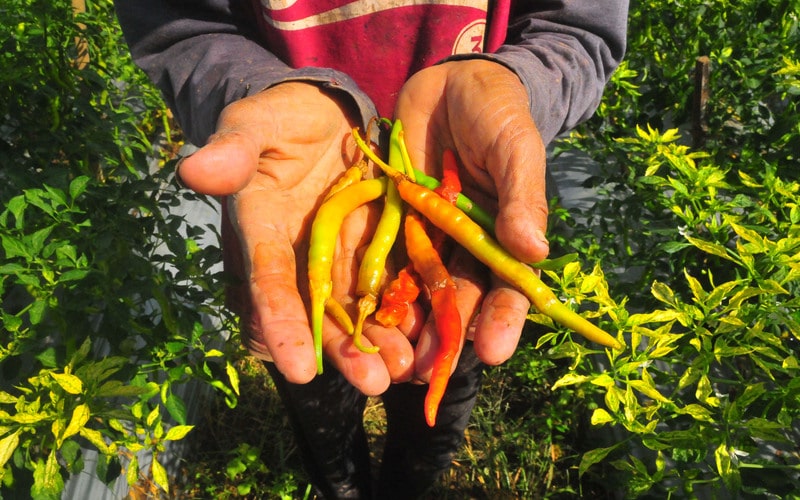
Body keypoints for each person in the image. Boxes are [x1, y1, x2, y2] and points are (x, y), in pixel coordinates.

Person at [113, 1, 629, 498]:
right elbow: (182, 28)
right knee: (322, 415)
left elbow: (579, 33)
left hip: (468, 168)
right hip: (289, 211)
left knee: (434, 404)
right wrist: (249, 88)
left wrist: (521, 85)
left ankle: (406, 486)